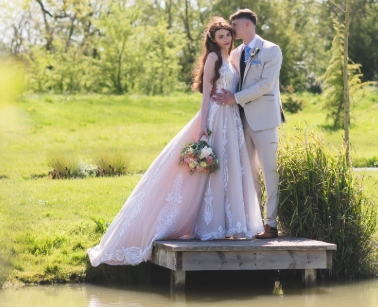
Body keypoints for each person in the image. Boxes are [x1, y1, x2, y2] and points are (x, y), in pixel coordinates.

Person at [87, 17, 264, 267]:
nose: (226, 39)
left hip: (232, 120)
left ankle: (231, 224)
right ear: (213, 41)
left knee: (230, 168)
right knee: (210, 169)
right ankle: (207, 225)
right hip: (215, 116)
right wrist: (203, 125)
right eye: (221, 37)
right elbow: (205, 95)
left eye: (227, 35)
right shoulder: (213, 59)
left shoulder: (232, 58)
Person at [213, 9, 285, 239]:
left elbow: (266, 84)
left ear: (246, 25)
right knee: (249, 174)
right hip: (239, 121)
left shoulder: (271, 50)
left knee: (269, 172)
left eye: (234, 25)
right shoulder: (234, 54)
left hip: (264, 120)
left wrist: (234, 98)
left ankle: (271, 225)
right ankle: (254, 223)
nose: (231, 30)